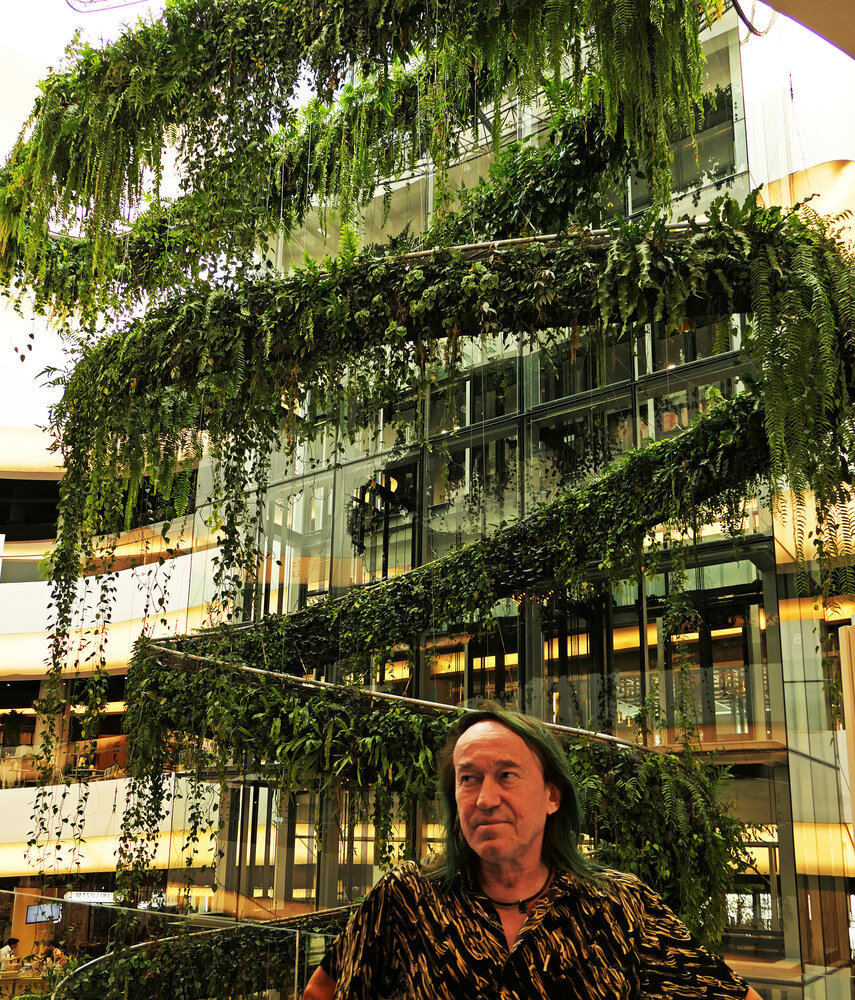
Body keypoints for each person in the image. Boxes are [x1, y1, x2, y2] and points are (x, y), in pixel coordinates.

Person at [303, 703, 764, 1000]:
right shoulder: (405, 899)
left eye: (507, 775)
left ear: (552, 795)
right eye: (468, 778)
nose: (484, 798)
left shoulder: (621, 908)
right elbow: (322, 991)